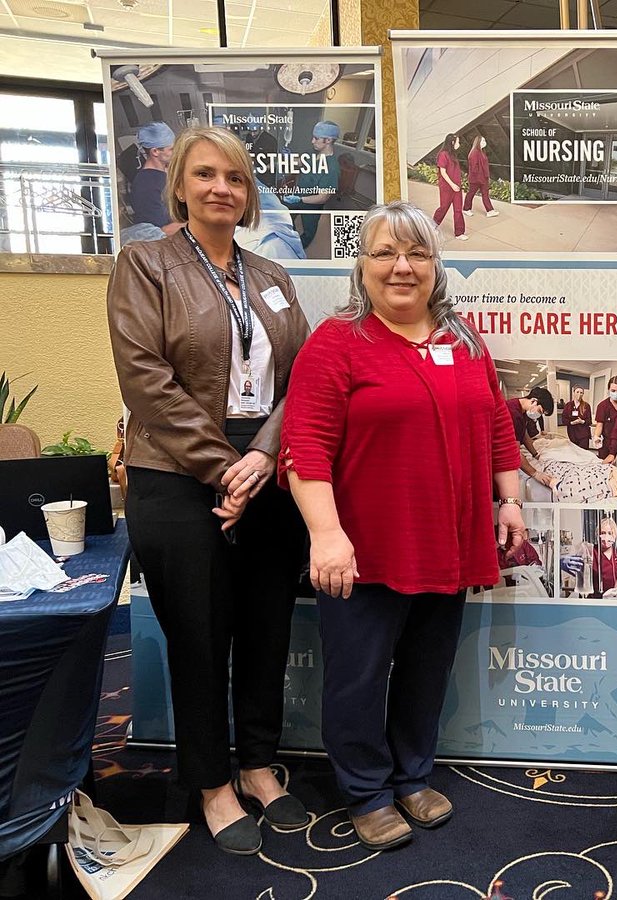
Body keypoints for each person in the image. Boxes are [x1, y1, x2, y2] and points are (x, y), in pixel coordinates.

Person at [279, 200, 525, 852]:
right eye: (385, 253)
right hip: (366, 549)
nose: (402, 267)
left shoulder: (463, 340)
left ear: (435, 266)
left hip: (448, 542)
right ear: (361, 267)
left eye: (416, 253)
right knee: (358, 676)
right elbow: (304, 446)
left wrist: (510, 501)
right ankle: (365, 790)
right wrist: (327, 535)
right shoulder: (336, 343)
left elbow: (497, 424)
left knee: (425, 669)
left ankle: (413, 774)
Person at [107, 126, 311, 855]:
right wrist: (223, 467)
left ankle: (257, 765)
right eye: (205, 174)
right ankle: (212, 782)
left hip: (267, 469)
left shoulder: (274, 278)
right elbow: (146, 380)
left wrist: (260, 458)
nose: (221, 187)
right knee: (198, 636)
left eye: (234, 176)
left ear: (249, 191)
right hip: (175, 472)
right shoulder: (146, 264)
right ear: (180, 185)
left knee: (266, 629)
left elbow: (302, 382)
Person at [282, 120, 341, 249]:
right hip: (298, 195)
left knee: (309, 230)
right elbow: (300, 162)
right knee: (284, 214)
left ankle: (299, 248)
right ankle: (290, 237)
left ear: (329, 140)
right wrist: (288, 159)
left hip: (312, 204)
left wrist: (300, 199)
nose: (312, 141)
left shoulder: (332, 168)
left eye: (316, 138)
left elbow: (323, 197)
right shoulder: (313, 153)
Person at [128, 121, 183, 237]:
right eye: (171, 149)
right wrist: (196, 224)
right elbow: (161, 232)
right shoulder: (146, 186)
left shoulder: (164, 173)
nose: (176, 153)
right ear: (155, 151)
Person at [506, 386, 555, 490]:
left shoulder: (522, 412)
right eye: (540, 411)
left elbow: (524, 435)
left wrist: (536, 454)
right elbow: (514, 452)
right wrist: (535, 473)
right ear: (534, 401)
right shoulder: (512, 413)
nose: (538, 415)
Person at [432, 133, 467, 241]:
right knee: (443, 208)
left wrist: (457, 185)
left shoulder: (453, 155)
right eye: (458, 142)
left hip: (457, 187)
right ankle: (432, 226)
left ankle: (459, 232)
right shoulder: (443, 154)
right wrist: (452, 185)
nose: (459, 144)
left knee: (458, 210)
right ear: (452, 142)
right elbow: (443, 172)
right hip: (447, 187)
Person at [594, 375, 617, 457]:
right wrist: (596, 436)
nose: (616, 393)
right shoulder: (602, 406)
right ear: (608, 390)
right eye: (613, 390)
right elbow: (599, 425)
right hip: (607, 443)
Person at [464, 135, 498, 218]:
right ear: (478, 142)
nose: (484, 142)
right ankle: (466, 209)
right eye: (482, 141)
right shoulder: (474, 153)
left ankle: (490, 211)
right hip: (477, 179)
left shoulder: (481, 152)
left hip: (483, 178)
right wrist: (480, 178)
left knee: (485, 194)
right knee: (471, 193)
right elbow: (474, 168)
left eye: (484, 140)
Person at [588, 516, 617, 597]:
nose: (606, 536)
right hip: (593, 598)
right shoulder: (591, 551)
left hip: (610, 598)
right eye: (603, 533)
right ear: (598, 535)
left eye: (610, 533)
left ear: (615, 536)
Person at [560, 386, 593, 450]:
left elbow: (589, 421)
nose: (579, 394)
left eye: (581, 393)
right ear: (573, 393)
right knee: (574, 453)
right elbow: (564, 420)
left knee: (583, 452)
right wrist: (572, 422)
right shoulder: (568, 405)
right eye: (577, 392)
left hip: (583, 434)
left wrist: (582, 421)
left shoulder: (586, 406)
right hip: (572, 434)